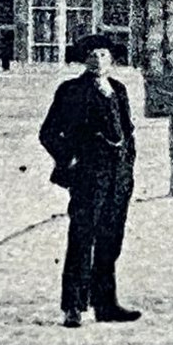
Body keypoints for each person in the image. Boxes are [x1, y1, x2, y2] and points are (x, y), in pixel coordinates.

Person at [38, 34, 142, 328]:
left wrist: (128, 164)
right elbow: (47, 133)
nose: (98, 60)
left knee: (111, 239)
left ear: (112, 60)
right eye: (92, 55)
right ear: (84, 59)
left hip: (118, 177)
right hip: (88, 176)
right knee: (83, 238)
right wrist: (67, 159)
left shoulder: (118, 90)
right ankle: (73, 306)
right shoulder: (71, 90)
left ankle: (105, 304)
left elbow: (127, 130)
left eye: (103, 55)